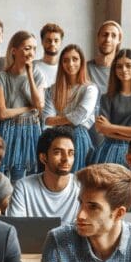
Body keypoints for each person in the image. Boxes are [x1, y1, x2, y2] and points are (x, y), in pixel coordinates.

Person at [0, 30, 47, 183]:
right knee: (8, 177)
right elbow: (3, 114)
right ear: (14, 51)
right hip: (9, 129)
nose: (31, 52)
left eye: (34, 49)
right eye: (27, 48)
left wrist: (30, 74)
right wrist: (28, 109)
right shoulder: (1, 78)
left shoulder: (38, 75)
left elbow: (39, 106)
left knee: (31, 176)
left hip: (31, 129)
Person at [91, 48, 131, 166]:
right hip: (108, 152)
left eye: (128, 65)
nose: (124, 70)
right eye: (119, 66)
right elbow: (101, 129)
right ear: (114, 70)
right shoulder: (106, 98)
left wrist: (111, 127)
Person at [6, 126, 81, 224]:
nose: (66, 158)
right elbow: (16, 229)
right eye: (58, 152)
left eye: (71, 153)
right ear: (43, 158)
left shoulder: (81, 187)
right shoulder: (24, 187)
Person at [43, 44, 99, 174]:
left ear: (81, 62)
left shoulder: (90, 89)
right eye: (66, 60)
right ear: (61, 64)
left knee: (77, 179)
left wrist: (57, 120)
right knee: (58, 177)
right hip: (57, 138)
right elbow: (46, 120)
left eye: (75, 59)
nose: (70, 63)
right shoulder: (53, 89)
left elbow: (78, 118)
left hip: (79, 137)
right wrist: (69, 119)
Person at [86, 20, 122, 94]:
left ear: (119, 40)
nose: (108, 39)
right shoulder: (84, 68)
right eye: (105, 35)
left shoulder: (123, 69)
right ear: (98, 38)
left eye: (113, 36)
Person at [33, 22, 64, 87]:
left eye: (56, 40)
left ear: (61, 42)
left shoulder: (66, 67)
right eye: (48, 40)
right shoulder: (33, 66)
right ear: (42, 42)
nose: (52, 44)